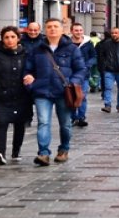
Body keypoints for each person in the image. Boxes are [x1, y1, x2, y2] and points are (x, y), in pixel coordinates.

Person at [23, 18, 87, 166]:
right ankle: (43, 153)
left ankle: (64, 149)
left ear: (62, 30)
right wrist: (29, 79)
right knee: (43, 122)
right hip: (42, 91)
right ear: (45, 30)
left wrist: (73, 82)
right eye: (49, 27)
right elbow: (28, 69)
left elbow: (81, 69)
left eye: (55, 26)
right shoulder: (37, 49)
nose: (52, 29)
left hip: (63, 92)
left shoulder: (71, 49)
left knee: (65, 124)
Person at [0, 26, 32, 164]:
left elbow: (31, 71)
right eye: (6, 37)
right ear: (2, 39)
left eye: (12, 37)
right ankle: (0, 153)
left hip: (22, 96)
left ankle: (16, 151)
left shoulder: (26, 54)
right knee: (1, 122)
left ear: (18, 38)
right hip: (3, 96)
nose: (9, 40)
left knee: (19, 124)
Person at [96, 27, 119, 113]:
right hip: (109, 70)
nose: (114, 34)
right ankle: (107, 105)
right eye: (112, 33)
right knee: (108, 87)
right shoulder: (106, 43)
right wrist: (104, 64)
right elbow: (102, 55)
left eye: (116, 33)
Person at [69, 23, 96, 127]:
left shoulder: (88, 43)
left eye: (80, 30)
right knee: (71, 96)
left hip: (84, 74)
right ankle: (73, 117)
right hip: (70, 74)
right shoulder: (67, 43)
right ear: (72, 31)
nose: (79, 32)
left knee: (82, 96)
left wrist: (87, 65)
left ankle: (81, 117)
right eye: (76, 30)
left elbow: (94, 56)